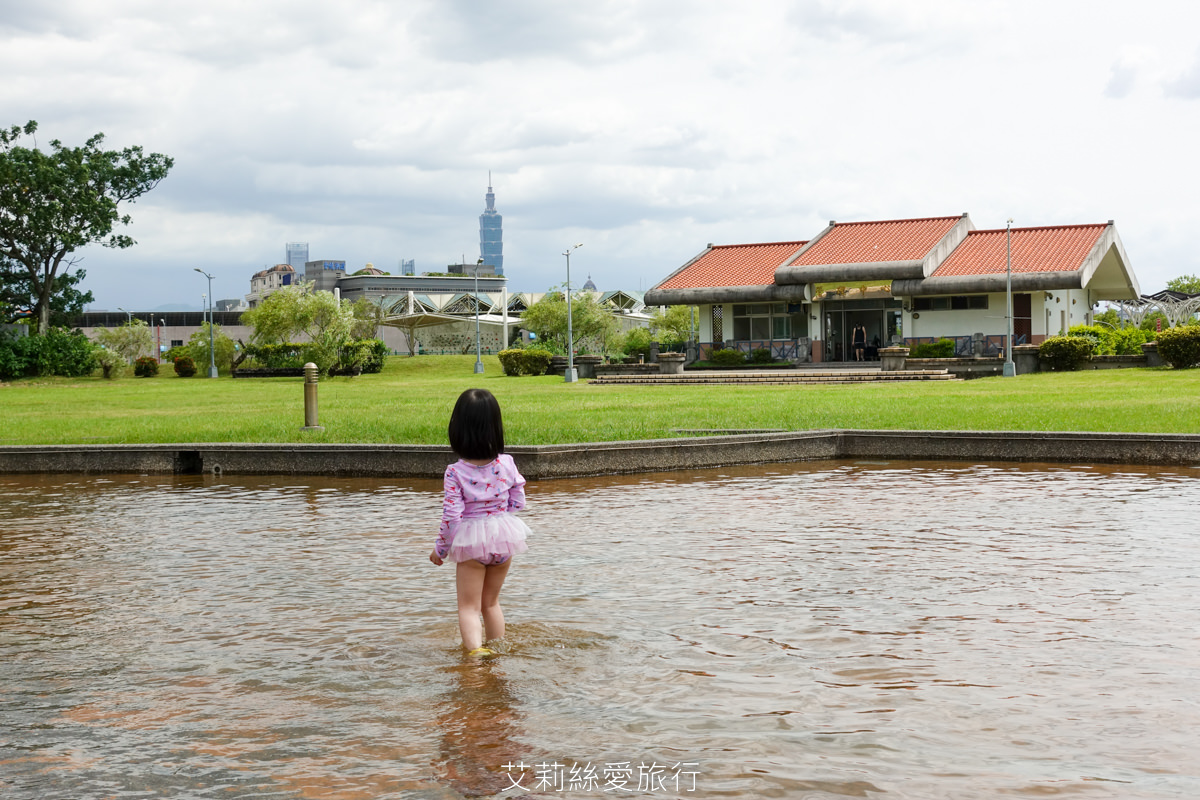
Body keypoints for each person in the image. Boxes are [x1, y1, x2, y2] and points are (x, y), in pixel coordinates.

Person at [430, 388, 530, 657]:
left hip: (472, 545)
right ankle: (498, 652)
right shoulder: (507, 463)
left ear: (458, 429)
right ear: (495, 428)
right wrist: (498, 514)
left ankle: (475, 661)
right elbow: (518, 500)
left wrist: (440, 551)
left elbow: (452, 517)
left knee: (468, 607)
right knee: (491, 604)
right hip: (504, 537)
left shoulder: (455, 472)